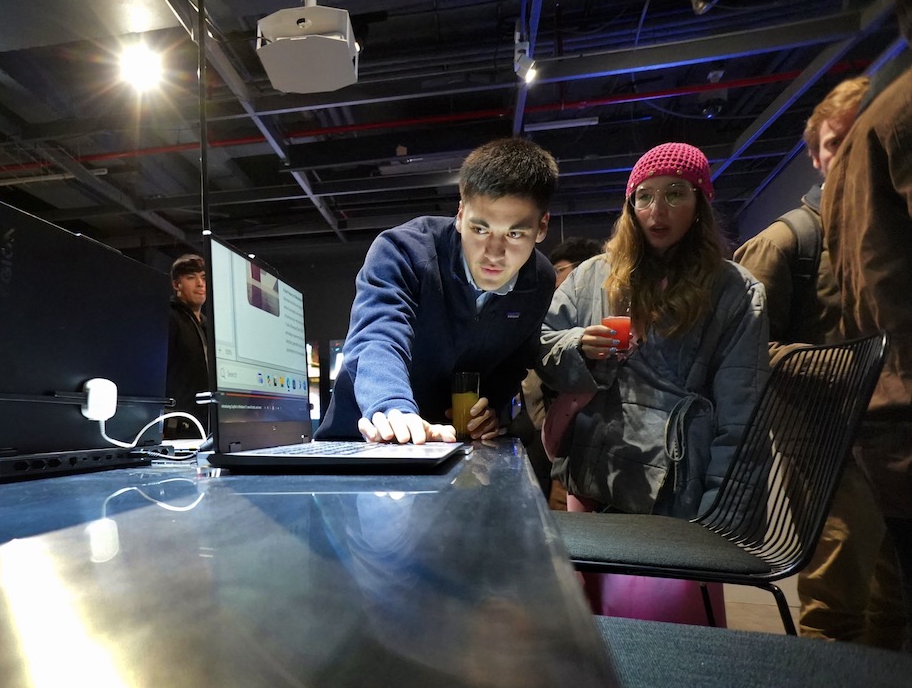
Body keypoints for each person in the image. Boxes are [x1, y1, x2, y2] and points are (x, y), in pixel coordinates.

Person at [538, 142, 769, 624]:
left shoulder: (734, 290)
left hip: (674, 496)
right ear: (630, 206)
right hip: (595, 475)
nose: (657, 210)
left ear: (700, 202)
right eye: (644, 196)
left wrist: (720, 519)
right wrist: (579, 346)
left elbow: (742, 414)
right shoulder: (593, 276)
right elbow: (541, 348)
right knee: (589, 627)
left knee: (661, 635)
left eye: (675, 193)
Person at [735, 77, 905, 647]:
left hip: (894, 444)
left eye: (860, 137)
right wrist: (851, 368)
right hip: (826, 449)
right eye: (836, 143)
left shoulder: (888, 229)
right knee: (835, 610)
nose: (851, 153)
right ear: (814, 155)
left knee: (895, 605)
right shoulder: (787, 242)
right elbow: (744, 349)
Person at [315, 137, 558, 444]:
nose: (494, 253)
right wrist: (391, 406)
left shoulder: (539, 280)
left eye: (515, 233)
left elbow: (513, 363)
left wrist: (491, 409)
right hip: (366, 434)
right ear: (460, 214)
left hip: (452, 444)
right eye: (480, 229)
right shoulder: (402, 250)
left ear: (541, 227)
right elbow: (378, 335)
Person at [822, 0, 912, 645]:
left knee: (889, 606)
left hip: (881, 410)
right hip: (887, 406)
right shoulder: (902, 112)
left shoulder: (862, 140)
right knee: (846, 600)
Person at [511, 236, 603, 504]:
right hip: (542, 428)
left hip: (581, 432)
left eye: (561, 270)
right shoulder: (546, 309)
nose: (556, 279)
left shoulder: (599, 309)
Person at [165, 252, 210, 439]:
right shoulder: (168, 317)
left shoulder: (207, 326)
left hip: (206, 426)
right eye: (191, 277)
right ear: (177, 284)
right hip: (179, 428)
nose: (200, 284)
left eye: (203, 278)